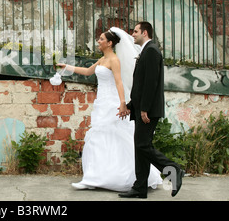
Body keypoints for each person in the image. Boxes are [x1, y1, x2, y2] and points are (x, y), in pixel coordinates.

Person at [57, 28, 162, 192]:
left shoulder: (114, 60)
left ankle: (125, 176)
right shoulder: (102, 59)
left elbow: (119, 82)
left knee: (116, 138)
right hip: (101, 102)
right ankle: (93, 176)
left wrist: (122, 103)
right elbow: (87, 72)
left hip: (112, 103)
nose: (98, 41)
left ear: (110, 43)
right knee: (98, 138)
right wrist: (67, 67)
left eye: (101, 39)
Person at [117, 21, 184, 199]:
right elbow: (140, 86)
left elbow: (151, 83)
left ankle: (173, 170)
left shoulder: (152, 51)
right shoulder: (145, 51)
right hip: (141, 109)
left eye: (136, 31)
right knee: (140, 147)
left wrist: (144, 109)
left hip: (148, 110)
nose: (132, 34)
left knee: (142, 145)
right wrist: (131, 107)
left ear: (145, 33)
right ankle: (140, 188)